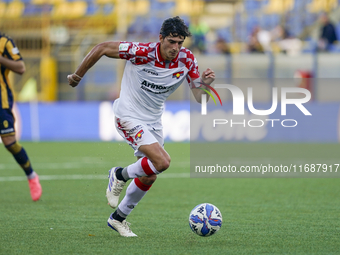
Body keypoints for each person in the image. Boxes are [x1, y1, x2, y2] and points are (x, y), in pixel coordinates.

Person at [67, 16, 215, 237]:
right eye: (171, 42)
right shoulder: (142, 52)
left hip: (153, 121)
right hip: (127, 115)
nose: (175, 48)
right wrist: (78, 75)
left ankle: (118, 219)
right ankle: (119, 174)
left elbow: (200, 98)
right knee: (162, 161)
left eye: (180, 43)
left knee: (150, 175)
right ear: (161, 38)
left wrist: (205, 85)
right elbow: (102, 48)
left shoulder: (187, 60)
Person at [0, 33, 42, 201]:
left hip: (1, 101)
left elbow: (20, 67)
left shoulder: (4, 42)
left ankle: (31, 176)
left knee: (9, 142)